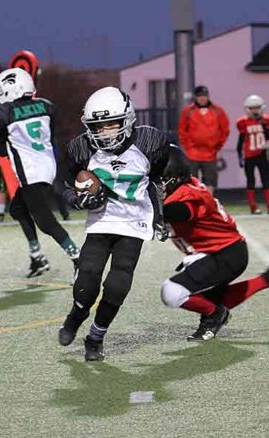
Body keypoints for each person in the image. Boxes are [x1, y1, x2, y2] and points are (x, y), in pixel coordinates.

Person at [57, 87, 170, 361]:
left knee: (118, 285)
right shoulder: (80, 148)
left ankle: (95, 337)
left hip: (133, 222)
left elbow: (156, 180)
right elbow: (62, 185)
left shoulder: (150, 141)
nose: (104, 131)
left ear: (127, 119)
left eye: (111, 124)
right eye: (97, 126)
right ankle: (76, 315)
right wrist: (76, 198)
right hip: (102, 220)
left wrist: (159, 217)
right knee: (86, 280)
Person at [159, 148, 269, 341]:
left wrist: (151, 209)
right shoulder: (185, 188)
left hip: (224, 254)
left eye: (160, 180)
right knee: (215, 298)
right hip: (225, 250)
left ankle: (214, 316)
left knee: (171, 292)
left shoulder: (186, 197)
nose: (156, 185)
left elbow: (180, 211)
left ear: (175, 177)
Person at [0, 68, 80, 279]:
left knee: (46, 221)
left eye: (1, 91)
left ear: (13, 88)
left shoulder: (3, 114)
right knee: (18, 209)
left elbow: (2, 148)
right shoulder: (47, 107)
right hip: (47, 165)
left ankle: (78, 258)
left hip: (30, 172)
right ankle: (37, 255)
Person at [177, 85, 228, 194]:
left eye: (204, 96)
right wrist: (188, 146)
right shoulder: (188, 111)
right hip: (193, 153)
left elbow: (225, 129)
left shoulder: (218, 111)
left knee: (210, 181)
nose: (202, 98)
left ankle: (208, 203)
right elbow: (182, 130)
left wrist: (218, 145)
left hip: (210, 153)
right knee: (192, 180)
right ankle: (193, 203)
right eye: (199, 96)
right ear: (195, 97)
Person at [236, 95, 269, 214]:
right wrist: (240, 156)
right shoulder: (243, 122)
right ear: (247, 109)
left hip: (262, 154)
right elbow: (240, 141)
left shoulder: (267, 121)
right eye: (252, 108)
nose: (255, 111)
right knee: (250, 181)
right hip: (249, 155)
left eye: (257, 108)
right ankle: (253, 206)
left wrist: (265, 128)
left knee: (266, 180)